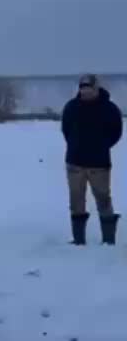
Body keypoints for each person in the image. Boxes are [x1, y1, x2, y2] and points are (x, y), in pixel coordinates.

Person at [61, 74, 123, 245]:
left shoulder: (110, 109)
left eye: (89, 89)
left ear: (96, 89)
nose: (85, 92)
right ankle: (78, 240)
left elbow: (116, 133)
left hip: (99, 165)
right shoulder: (71, 107)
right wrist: (75, 146)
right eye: (83, 89)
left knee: (103, 200)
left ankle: (108, 240)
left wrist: (101, 146)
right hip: (75, 163)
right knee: (76, 201)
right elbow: (66, 130)